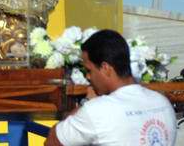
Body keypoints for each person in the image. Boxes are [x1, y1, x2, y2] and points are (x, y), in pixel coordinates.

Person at [44, 29, 177, 146]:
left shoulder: (97, 110)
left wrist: (86, 103)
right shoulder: (162, 102)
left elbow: (53, 141)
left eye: (89, 70)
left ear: (106, 68)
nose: (88, 77)